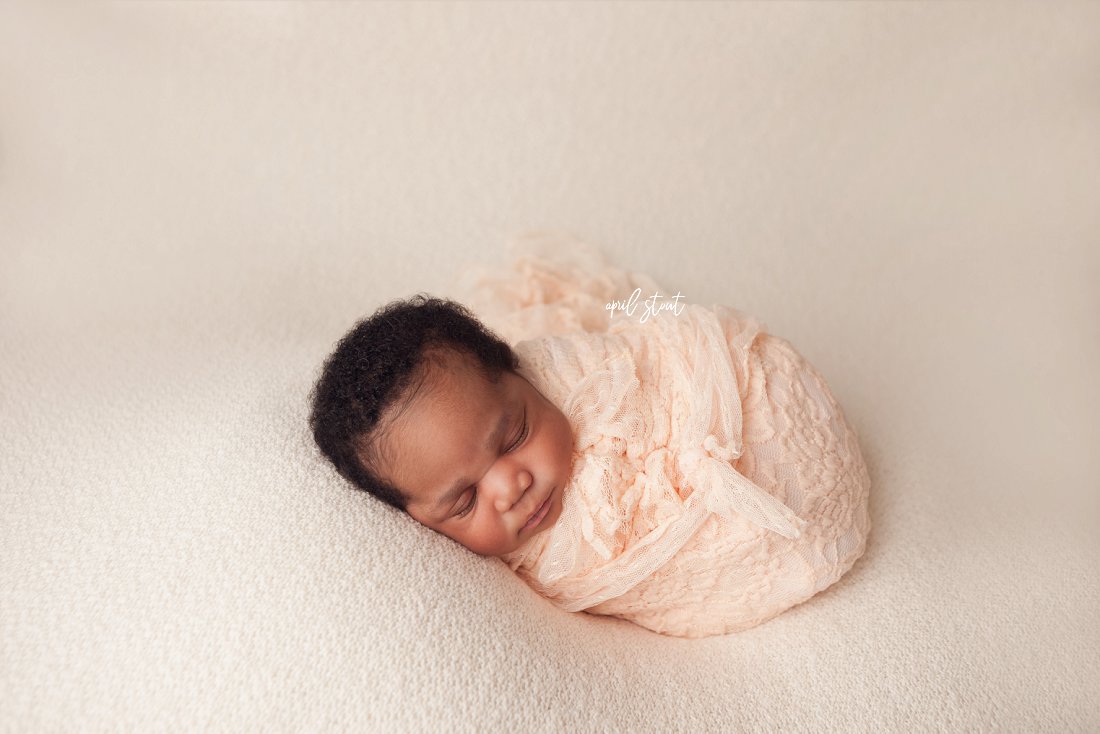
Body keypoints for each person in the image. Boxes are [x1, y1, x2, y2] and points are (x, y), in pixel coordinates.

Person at [309, 235, 871, 638]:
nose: (511, 487)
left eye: (513, 436)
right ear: (416, 521)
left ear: (521, 373)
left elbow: (656, 362)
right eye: (464, 500)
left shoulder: (584, 376)